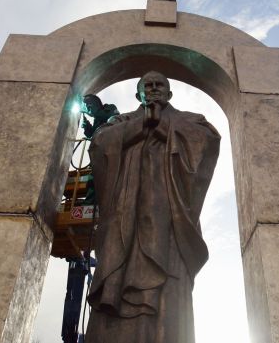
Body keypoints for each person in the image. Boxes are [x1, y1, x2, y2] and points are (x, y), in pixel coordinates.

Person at [85, 71, 221, 343]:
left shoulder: (189, 121)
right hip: (126, 223)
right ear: (139, 94)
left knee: (169, 293)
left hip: (170, 222)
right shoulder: (121, 122)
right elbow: (99, 144)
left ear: (170, 93)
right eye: (148, 85)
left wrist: (164, 128)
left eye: (161, 85)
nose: (155, 88)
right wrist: (139, 128)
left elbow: (208, 141)